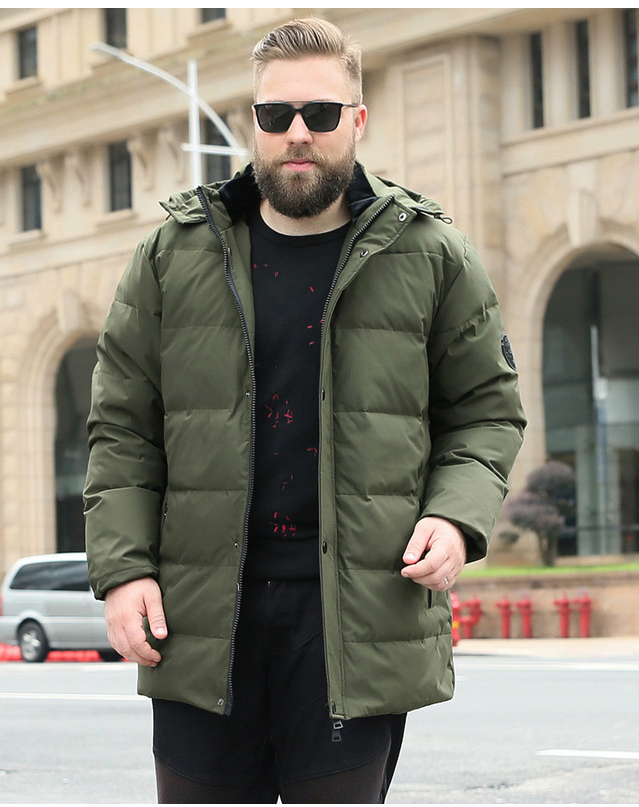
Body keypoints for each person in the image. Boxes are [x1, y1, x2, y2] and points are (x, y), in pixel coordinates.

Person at [84, 17, 525, 804]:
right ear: (251, 121)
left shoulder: (430, 253)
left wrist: (456, 517)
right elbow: (122, 429)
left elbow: (486, 410)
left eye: (320, 113)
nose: (297, 132)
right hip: (199, 618)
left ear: (357, 119)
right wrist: (124, 571)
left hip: (356, 622)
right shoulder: (171, 255)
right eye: (275, 113)